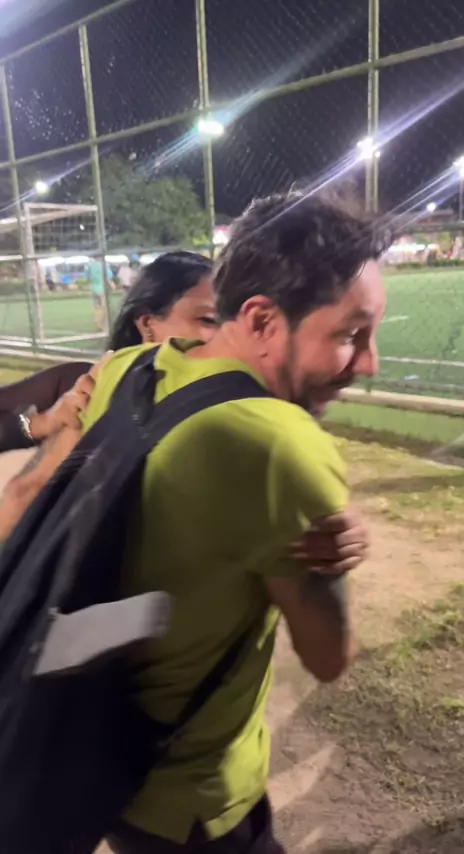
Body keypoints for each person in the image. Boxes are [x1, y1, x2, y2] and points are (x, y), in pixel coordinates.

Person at [75, 191, 390, 853]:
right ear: (263, 319)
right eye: (349, 335)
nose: (369, 363)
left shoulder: (129, 369)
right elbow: (329, 657)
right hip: (197, 802)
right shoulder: (277, 444)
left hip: (99, 761)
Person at [0, 252, 216, 456]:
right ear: (147, 324)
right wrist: (42, 423)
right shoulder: (83, 384)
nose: (225, 334)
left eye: (231, 320)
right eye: (208, 320)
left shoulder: (223, 401)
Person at [89, 255, 115, 332]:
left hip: (94, 288)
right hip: (102, 288)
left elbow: (89, 276)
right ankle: (103, 323)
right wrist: (112, 284)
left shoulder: (91, 266)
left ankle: (97, 321)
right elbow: (108, 276)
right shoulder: (103, 266)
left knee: (97, 306)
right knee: (104, 306)